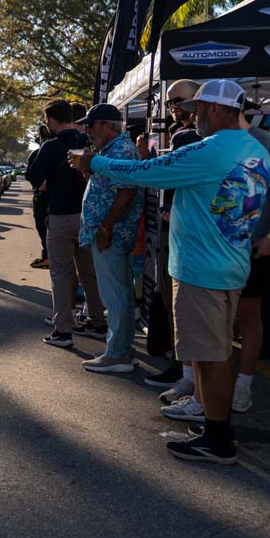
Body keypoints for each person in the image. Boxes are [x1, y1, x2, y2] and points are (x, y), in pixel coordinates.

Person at [71, 80, 270, 465]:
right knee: (213, 351)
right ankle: (212, 425)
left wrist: (93, 162)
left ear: (216, 109)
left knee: (211, 356)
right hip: (229, 265)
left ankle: (217, 438)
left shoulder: (213, 149)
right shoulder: (252, 147)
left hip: (203, 270)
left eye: (197, 108)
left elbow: (147, 171)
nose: (191, 115)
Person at [26, 101, 107, 347]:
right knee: (89, 272)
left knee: (61, 273)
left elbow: (33, 177)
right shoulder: (88, 142)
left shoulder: (51, 146)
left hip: (61, 215)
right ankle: (97, 322)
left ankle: (63, 330)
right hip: (89, 215)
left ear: (51, 120)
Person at [231, 108, 270, 413]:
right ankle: (200, 386)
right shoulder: (209, 139)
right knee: (214, 318)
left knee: (249, 315)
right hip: (216, 249)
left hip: (252, 247)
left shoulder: (267, 142)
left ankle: (243, 385)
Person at [75, 104, 144, 374]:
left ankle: (117, 354)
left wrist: (106, 226)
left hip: (111, 234)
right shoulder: (111, 150)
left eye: (91, 125)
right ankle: (121, 350)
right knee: (119, 295)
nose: (86, 130)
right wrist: (87, 168)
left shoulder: (122, 150)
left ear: (108, 125)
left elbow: (126, 192)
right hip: (109, 233)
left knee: (114, 297)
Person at [144, 79, 203, 396]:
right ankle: (189, 376)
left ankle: (188, 376)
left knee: (179, 306)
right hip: (182, 234)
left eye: (178, 101)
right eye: (169, 103)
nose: (173, 108)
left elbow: (169, 177)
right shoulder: (199, 138)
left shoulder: (188, 138)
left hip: (182, 236)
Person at [28, 125, 54, 269]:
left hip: (55, 197)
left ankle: (51, 256)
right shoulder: (35, 155)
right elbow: (30, 175)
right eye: (43, 139)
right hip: (40, 197)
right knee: (41, 226)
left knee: (54, 227)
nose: (45, 142)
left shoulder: (58, 150)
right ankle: (46, 255)